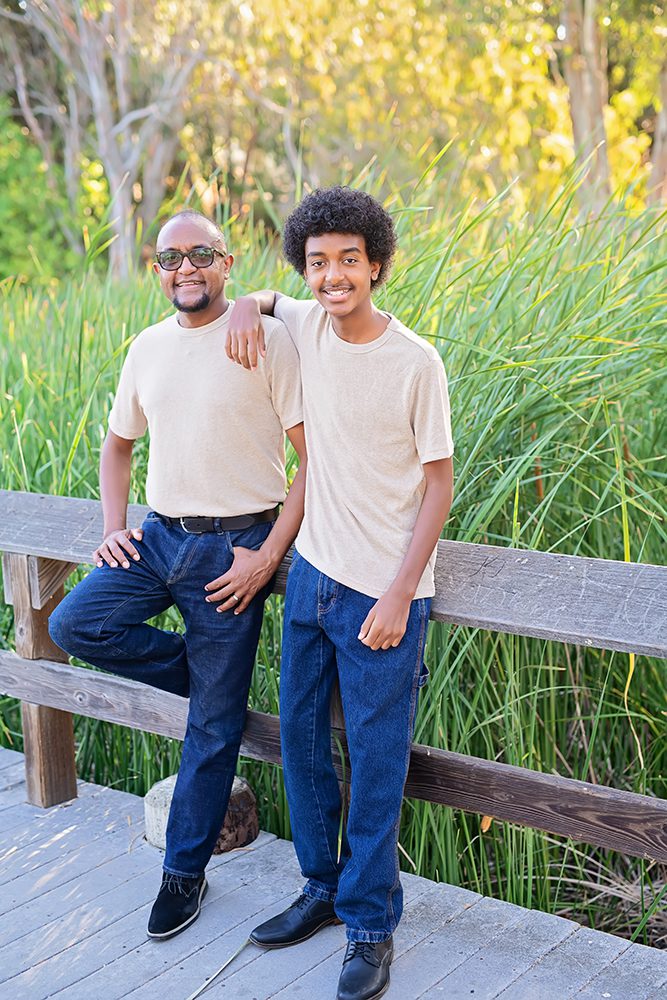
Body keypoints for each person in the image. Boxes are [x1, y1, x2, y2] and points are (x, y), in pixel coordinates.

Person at [48, 210, 305, 941]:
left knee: (212, 729)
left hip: (234, 550)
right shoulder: (147, 347)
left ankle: (183, 873)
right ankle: (206, 675)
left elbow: (309, 458)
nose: (184, 268)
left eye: (199, 254)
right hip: (158, 538)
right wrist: (112, 527)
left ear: (226, 262)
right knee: (74, 623)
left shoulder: (264, 335)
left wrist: (265, 557)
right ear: (156, 270)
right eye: (169, 258)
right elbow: (117, 443)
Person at [226, 186, 454, 1000]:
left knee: (375, 760)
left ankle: (368, 923)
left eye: (348, 261)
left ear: (377, 265)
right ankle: (320, 888)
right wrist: (250, 309)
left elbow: (438, 485)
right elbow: (260, 295)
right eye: (317, 263)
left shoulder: (413, 361)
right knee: (299, 743)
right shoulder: (308, 327)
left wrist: (398, 595)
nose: (332, 277)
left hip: (379, 598)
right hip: (313, 579)